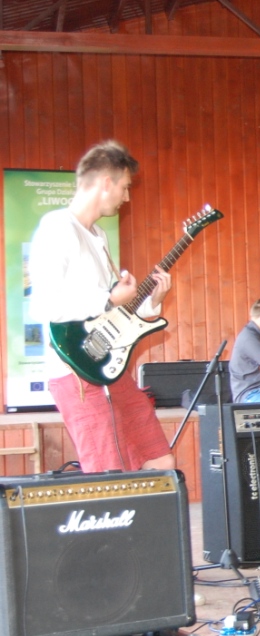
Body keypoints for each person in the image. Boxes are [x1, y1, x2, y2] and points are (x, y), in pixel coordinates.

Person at [27, 140, 175, 473]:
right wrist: (108, 297)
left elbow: (109, 314)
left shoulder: (98, 237)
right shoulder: (57, 228)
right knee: (108, 474)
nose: (127, 197)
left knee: (160, 461)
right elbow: (44, 305)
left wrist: (152, 301)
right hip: (76, 372)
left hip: (109, 366)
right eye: (125, 187)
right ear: (106, 182)